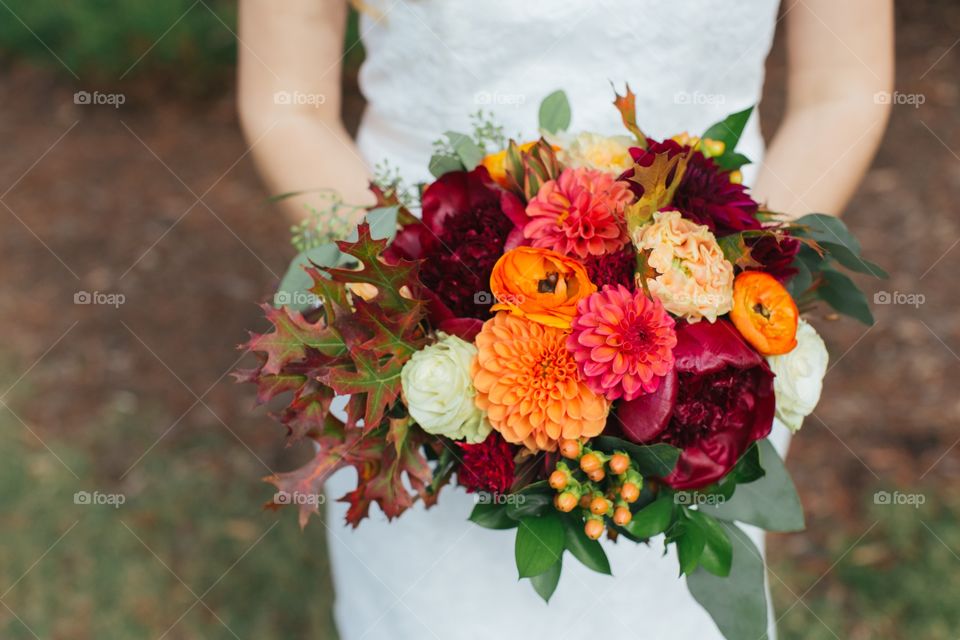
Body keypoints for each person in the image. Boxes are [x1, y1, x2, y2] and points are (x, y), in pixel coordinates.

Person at [237, 1, 893, 638]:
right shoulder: (414, 325)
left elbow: (843, 90)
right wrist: (410, 320)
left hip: (698, 341)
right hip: (415, 302)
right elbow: (288, 106)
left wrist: (724, 295)